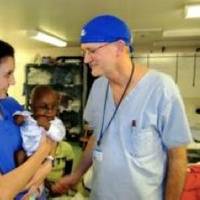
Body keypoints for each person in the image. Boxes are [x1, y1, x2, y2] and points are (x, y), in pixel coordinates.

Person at [52, 15, 193, 200]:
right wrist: (76, 175)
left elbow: (178, 157)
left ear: (119, 47)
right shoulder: (98, 87)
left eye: (91, 51)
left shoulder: (161, 88)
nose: (86, 59)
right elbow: (96, 138)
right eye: (84, 52)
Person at [0, 40, 55, 200]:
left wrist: (48, 162)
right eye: (7, 74)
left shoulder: (10, 106)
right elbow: (3, 192)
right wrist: (43, 157)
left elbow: (49, 133)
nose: (13, 81)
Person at [13, 85, 66, 198]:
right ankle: (26, 181)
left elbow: (60, 135)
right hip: (27, 153)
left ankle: (38, 189)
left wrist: (47, 126)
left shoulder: (54, 123)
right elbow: (18, 115)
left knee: (38, 178)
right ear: (32, 107)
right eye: (44, 107)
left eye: (53, 107)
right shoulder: (27, 116)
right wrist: (18, 118)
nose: (49, 112)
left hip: (42, 157)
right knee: (19, 154)